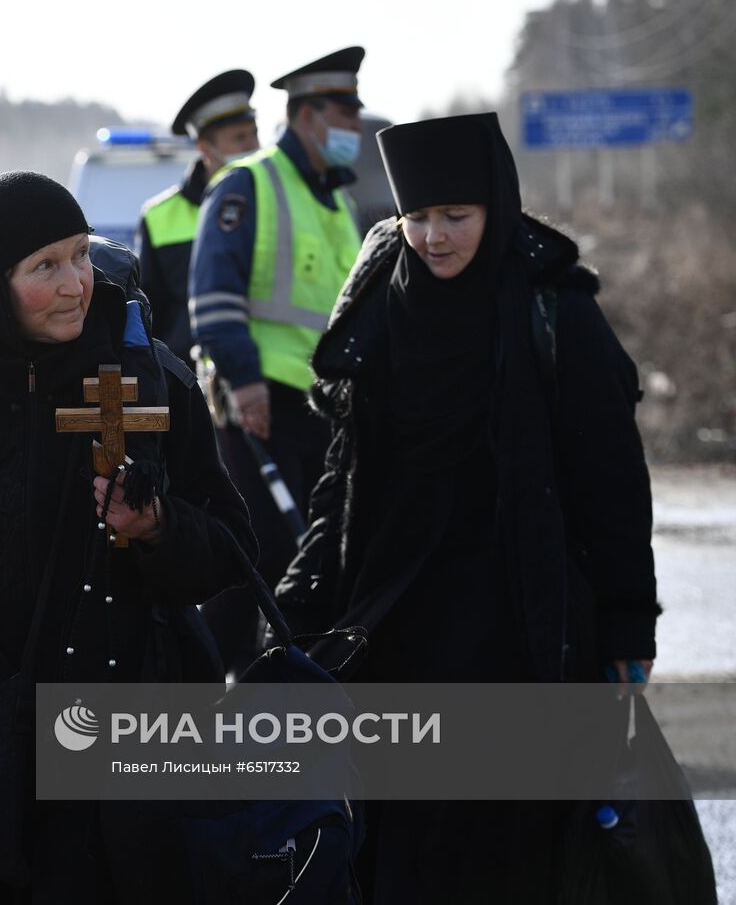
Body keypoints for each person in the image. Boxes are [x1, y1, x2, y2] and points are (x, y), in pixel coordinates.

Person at [0, 171, 257, 903]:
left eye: (80, 256)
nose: (75, 284)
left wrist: (158, 529)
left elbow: (231, 552)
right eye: (44, 267)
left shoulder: (148, 382)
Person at [275, 113, 661, 903]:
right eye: (416, 218)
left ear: (496, 205)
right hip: (396, 618)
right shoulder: (381, 307)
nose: (434, 238)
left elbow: (612, 482)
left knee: (509, 844)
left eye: (456, 216)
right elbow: (342, 471)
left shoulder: (555, 314)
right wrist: (302, 593)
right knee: (397, 840)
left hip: (516, 621)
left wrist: (629, 624)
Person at [188, 47, 367, 677]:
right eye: (343, 113)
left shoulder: (338, 203)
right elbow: (212, 294)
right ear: (306, 115)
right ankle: (217, 697)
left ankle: (290, 689)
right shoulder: (249, 183)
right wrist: (246, 381)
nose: (353, 124)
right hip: (264, 406)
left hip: (327, 413)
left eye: (354, 112)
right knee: (259, 559)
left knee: (309, 560)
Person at [134, 69, 260, 365]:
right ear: (205, 147)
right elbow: (151, 313)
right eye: (240, 137)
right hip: (191, 380)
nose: (253, 147)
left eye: (254, 134)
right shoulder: (159, 216)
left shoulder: (279, 201)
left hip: (264, 372)